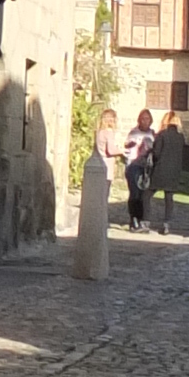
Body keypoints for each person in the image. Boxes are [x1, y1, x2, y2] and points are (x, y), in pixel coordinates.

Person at [73, 110, 117, 281]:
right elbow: (111, 150)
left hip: (96, 167)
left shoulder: (98, 133)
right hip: (105, 170)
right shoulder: (109, 133)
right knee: (102, 201)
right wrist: (123, 151)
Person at [148, 112, 189, 228]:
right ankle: (167, 222)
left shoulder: (162, 135)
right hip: (174, 171)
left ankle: (145, 220)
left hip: (161, 169)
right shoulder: (180, 137)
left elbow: (156, 153)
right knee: (169, 197)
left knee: (147, 194)